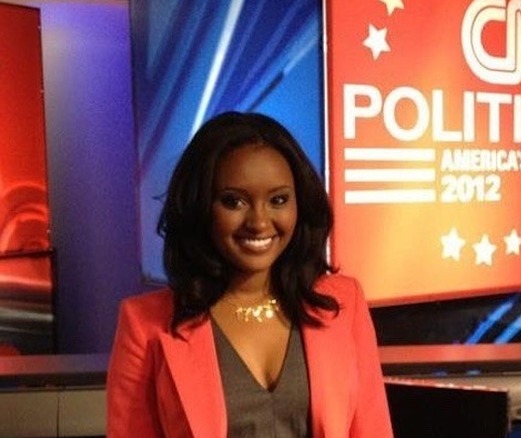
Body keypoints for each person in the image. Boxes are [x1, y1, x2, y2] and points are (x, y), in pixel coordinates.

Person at [106, 112, 393, 437]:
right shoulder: (145, 325)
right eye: (234, 201)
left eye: (278, 200)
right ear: (200, 205)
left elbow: (373, 429)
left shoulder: (343, 304)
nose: (258, 221)